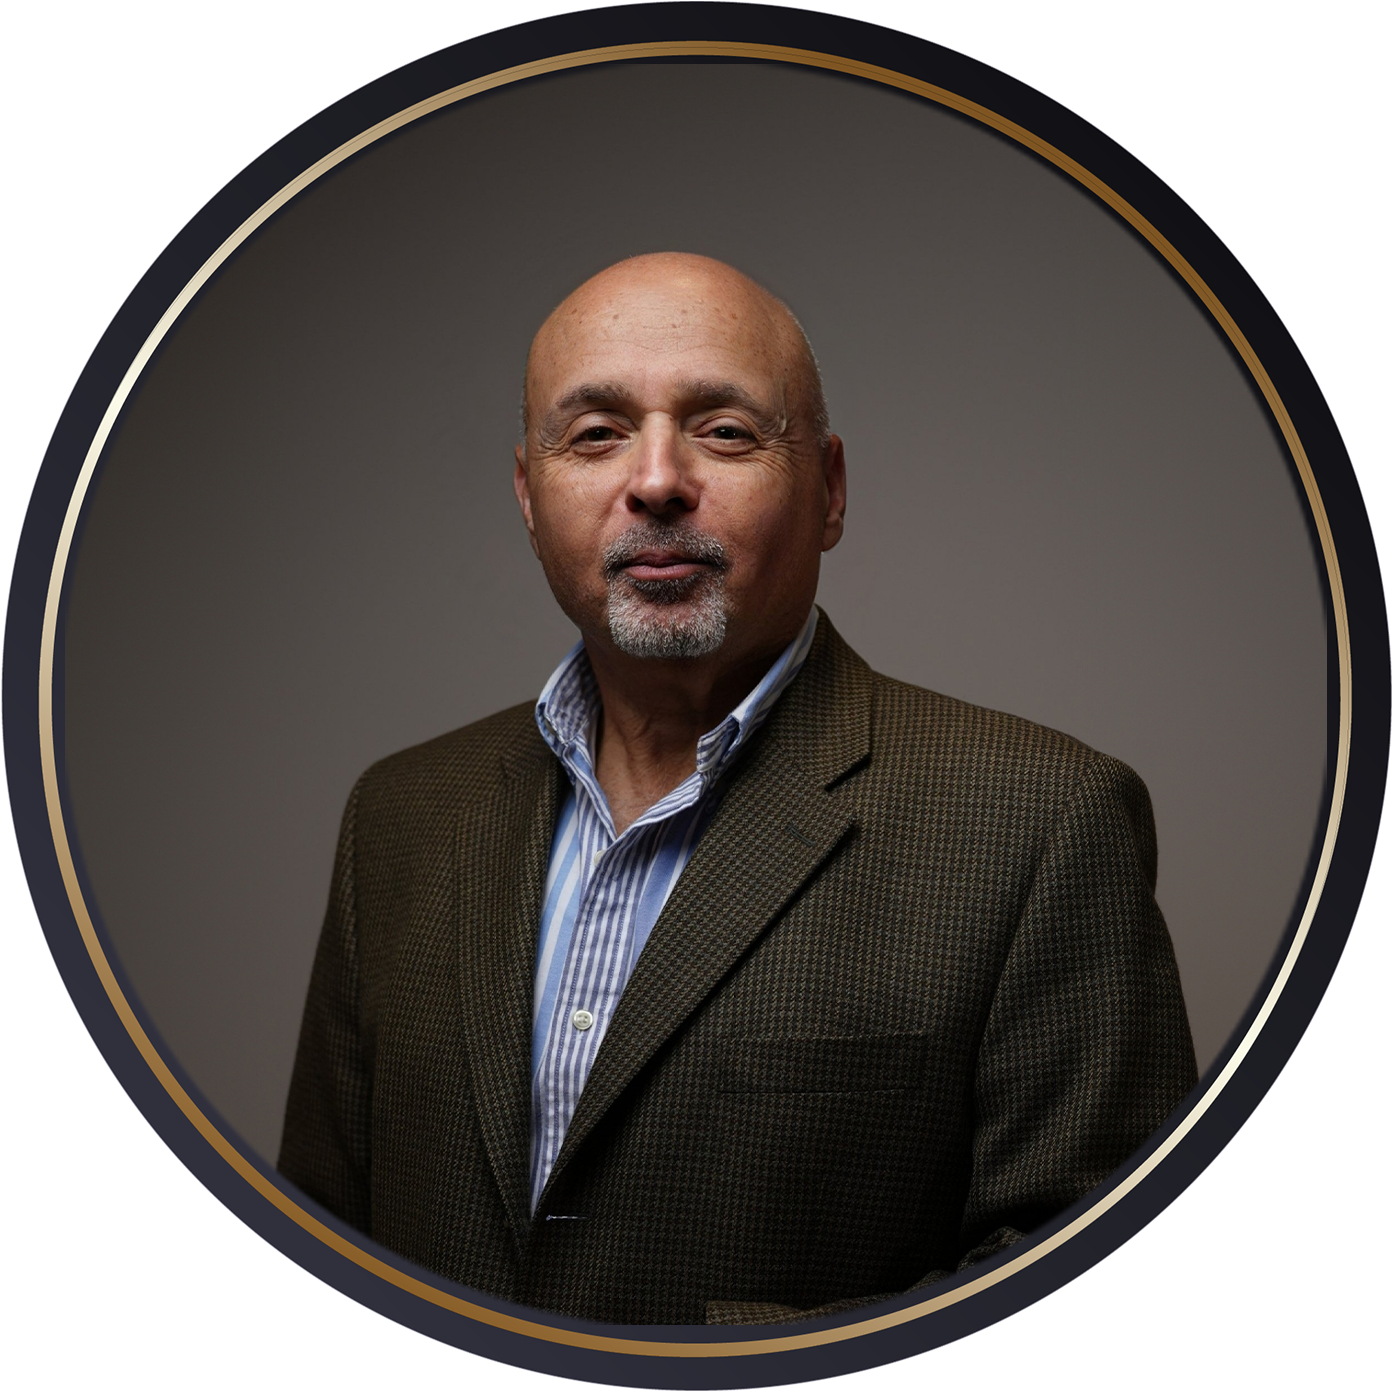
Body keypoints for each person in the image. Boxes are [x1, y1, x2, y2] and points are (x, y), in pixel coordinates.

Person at [278, 252, 1197, 1326]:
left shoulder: (1039, 824)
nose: (657, 480)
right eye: (595, 434)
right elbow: (320, 1242)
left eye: (723, 431)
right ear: (529, 496)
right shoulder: (398, 817)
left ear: (829, 490)